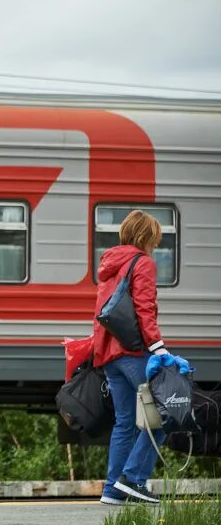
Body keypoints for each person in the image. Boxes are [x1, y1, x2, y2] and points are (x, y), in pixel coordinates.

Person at [93, 210, 169, 506]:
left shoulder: (110, 263)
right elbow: (143, 308)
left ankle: (113, 489)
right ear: (147, 236)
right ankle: (133, 480)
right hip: (133, 352)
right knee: (163, 415)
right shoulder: (143, 263)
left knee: (125, 422)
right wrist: (158, 347)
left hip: (109, 354)